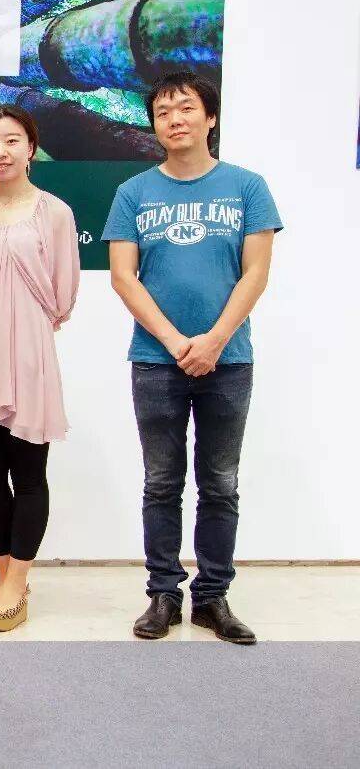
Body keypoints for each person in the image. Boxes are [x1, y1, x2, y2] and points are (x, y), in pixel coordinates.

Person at [103, 71, 281, 645]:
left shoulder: (247, 186)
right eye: (162, 112)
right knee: (161, 482)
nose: (174, 120)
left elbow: (255, 273)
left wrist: (214, 341)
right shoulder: (134, 192)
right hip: (155, 362)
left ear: (210, 118)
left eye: (185, 108)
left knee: (220, 483)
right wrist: (177, 342)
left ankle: (212, 597)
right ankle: (163, 594)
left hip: (229, 362)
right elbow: (124, 277)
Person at [0, 105, 80, 632]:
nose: (1, 152)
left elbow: (63, 293)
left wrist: (21, 330)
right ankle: (4, 576)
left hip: (28, 357)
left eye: (11, 141)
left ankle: (16, 584)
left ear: (31, 148)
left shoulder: (54, 212)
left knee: (29, 474)